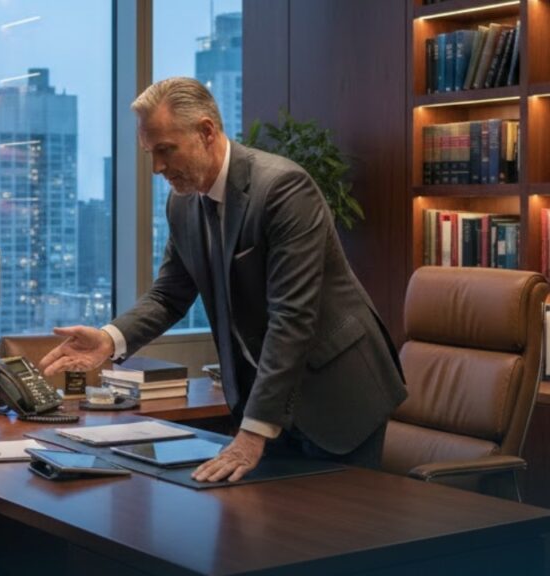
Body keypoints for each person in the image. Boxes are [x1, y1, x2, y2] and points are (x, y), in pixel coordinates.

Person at [39, 77, 407, 483]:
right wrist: (110, 339)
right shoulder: (183, 203)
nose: (157, 168)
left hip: (337, 395)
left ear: (206, 131)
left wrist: (253, 432)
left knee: (339, 531)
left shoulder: (283, 188)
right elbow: (169, 295)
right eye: (150, 153)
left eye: (166, 150)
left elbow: (292, 317)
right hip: (268, 401)